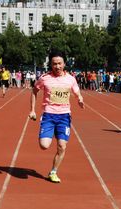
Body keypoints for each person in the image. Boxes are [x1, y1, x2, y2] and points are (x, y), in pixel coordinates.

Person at [29, 50, 85, 183]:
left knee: (62, 146)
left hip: (64, 117)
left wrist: (80, 100)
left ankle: (53, 172)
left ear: (64, 63)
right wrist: (32, 110)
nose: (57, 66)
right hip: (48, 115)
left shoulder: (70, 79)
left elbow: (78, 93)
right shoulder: (44, 78)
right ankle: (49, 131)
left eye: (60, 63)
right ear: (50, 65)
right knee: (44, 145)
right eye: (54, 64)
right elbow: (34, 91)